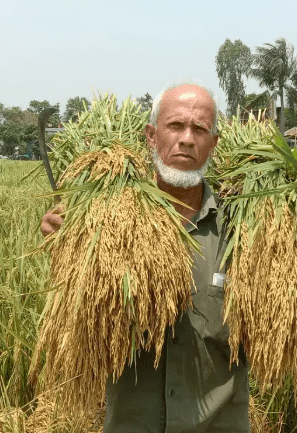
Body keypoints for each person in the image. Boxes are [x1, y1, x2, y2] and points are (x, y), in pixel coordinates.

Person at [40, 84, 250, 433]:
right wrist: (66, 245)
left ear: (213, 144)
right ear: (151, 136)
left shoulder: (243, 231)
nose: (186, 139)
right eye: (175, 126)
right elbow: (83, 321)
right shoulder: (107, 223)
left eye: (199, 130)